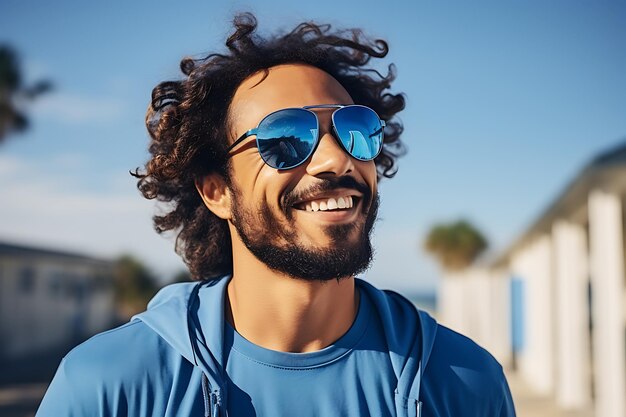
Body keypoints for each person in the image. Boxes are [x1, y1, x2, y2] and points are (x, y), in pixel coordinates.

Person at [36, 13, 515, 417]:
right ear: (216, 191)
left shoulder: (464, 383)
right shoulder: (108, 386)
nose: (337, 159)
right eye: (286, 139)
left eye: (356, 131)